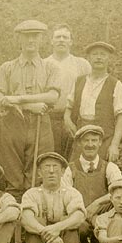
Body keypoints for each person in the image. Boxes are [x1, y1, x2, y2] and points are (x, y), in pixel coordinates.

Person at [0, 20, 60, 199]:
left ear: (42, 40)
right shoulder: (6, 67)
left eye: (35, 36)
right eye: (26, 36)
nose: (31, 40)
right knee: (12, 173)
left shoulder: (50, 67)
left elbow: (53, 96)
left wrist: (20, 98)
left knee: (38, 171)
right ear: (18, 40)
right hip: (13, 122)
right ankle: (14, 214)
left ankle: (35, 215)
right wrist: (29, 105)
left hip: (40, 123)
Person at [21, 152, 85, 243]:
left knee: (70, 220)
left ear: (62, 172)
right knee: (36, 221)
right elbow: (26, 219)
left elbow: (79, 217)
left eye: (55, 167)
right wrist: (48, 233)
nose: (51, 171)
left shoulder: (71, 193)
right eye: (46, 167)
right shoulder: (31, 194)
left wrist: (58, 227)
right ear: (39, 172)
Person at [61, 125, 122, 243]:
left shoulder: (109, 167)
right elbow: (64, 196)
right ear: (79, 143)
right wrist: (84, 213)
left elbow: (121, 190)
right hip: (79, 218)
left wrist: (96, 204)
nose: (90, 144)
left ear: (100, 142)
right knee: (77, 228)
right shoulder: (70, 169)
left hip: (102, 217)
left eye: (94, 140)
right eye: (86, 140)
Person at [64, 41, 122, 162]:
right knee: (76, 171)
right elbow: (69, 107)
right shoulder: (79, 81)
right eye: (94, 54)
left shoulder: (115, 84)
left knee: (100, 172)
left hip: (103, 139)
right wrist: (67, 120)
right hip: (81, 136)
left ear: (109, 58)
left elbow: (121, 117)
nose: (98, 57)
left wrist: (114, 145)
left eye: (102, 54)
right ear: (88, 58)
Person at [43, 24, 91, 156]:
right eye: (58, 37)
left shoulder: (82, 64)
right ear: (51, 41)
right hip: (48, 119)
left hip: (74, 119)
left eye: (65, 37)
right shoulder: (43, 64)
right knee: (51, 157)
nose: (61, 40)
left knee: (73, 159)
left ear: (71, 42)